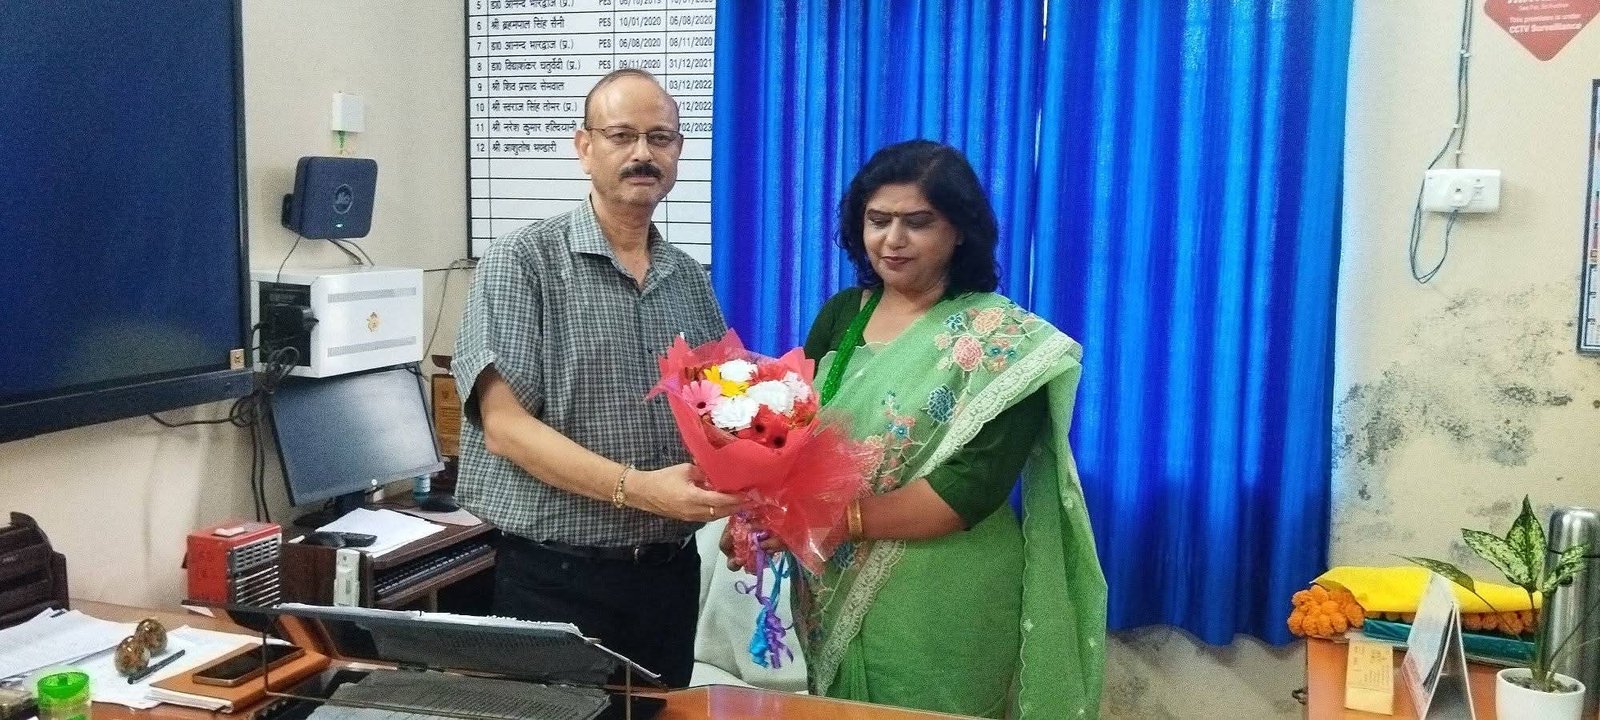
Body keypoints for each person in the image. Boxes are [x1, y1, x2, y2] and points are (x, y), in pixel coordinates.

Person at [732, 140, 1107, 717]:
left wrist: (832, 522)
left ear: (959, 230)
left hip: (942, 591)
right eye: (878, 220)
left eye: (918, 222)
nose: (893, 240)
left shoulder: (1004, 344)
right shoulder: (843, 314)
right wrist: (762, 516)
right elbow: (794, 431)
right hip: (831, 577)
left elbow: (970, 489)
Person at [452, 69, 741, 688]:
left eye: (660, 138)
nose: (643, 153)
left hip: (668, 579)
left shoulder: (689, 279)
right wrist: (638, 489)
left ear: (678, 151)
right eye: (622, 135)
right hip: (555, 583)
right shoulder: (523, 260)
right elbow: (504, 427)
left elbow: (721, 419)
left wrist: (750, 504)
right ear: (585, 147)